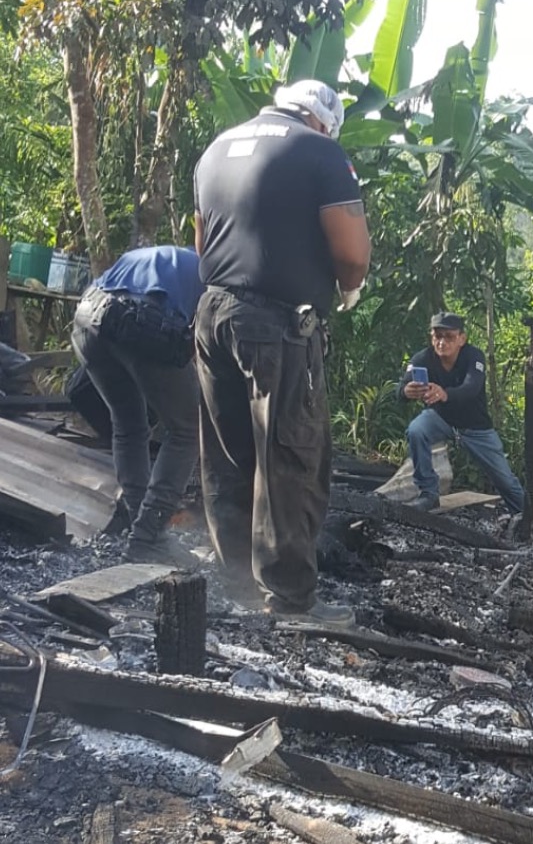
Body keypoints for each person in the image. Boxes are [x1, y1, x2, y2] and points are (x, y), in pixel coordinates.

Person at [192, 79, 371, 626]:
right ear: (322, 120)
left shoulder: (216, 149)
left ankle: (235, 590)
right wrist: (348, 289)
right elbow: (352, 252)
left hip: (213, 314)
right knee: (290, 457)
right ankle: (290, 601)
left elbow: (201, 243)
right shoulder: (318, 151)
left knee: (227, 455)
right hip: (278, 324)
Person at [71, 246, 204, 561]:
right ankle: (148, 536)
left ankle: (140, 526)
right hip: (141, 319)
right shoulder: (218, 277)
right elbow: (205, 350)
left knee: (128, 425)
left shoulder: (167, 257)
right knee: (188, 428)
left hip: (87, 315)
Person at [397, 312, 524, 514]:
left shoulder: (474, 357)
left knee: (505, 480)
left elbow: (472, 388)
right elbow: (401, 389)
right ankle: (428, 493)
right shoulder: (422, 358)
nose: (441, 342)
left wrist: (444, 394)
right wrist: (407, 391)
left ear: (461, 339)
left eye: (449, 337)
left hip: (475, 425)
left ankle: (525, 515)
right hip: (440, 419)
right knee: (416, 430)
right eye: (437, 336)